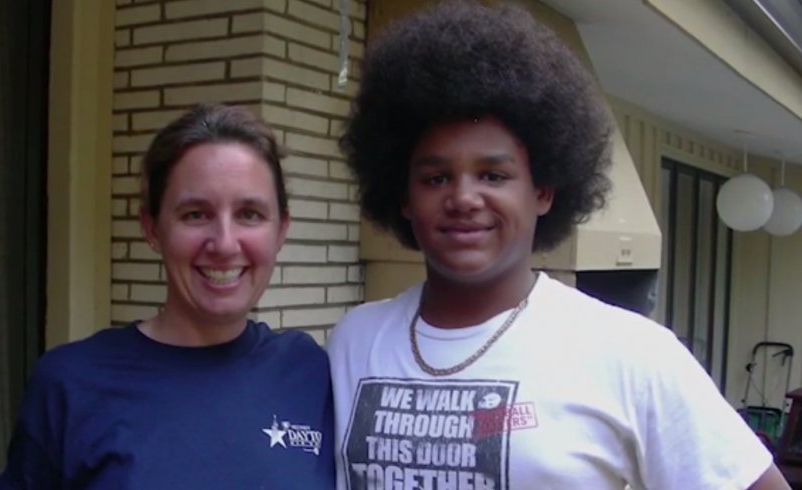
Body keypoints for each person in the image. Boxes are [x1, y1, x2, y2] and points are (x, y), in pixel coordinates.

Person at [326, 1, 790, 489]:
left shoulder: (631, 352)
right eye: (436, 177)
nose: (464, 197)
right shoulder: (355, 340)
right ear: (403, 197)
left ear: (543, 190)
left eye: (494, 175)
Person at [0, 104, 335, 489]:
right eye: (195, 214)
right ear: (152, 228)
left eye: (250, 214)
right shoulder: (70, 384)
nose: (223, 243)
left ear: (282, 229)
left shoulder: (308, 372)